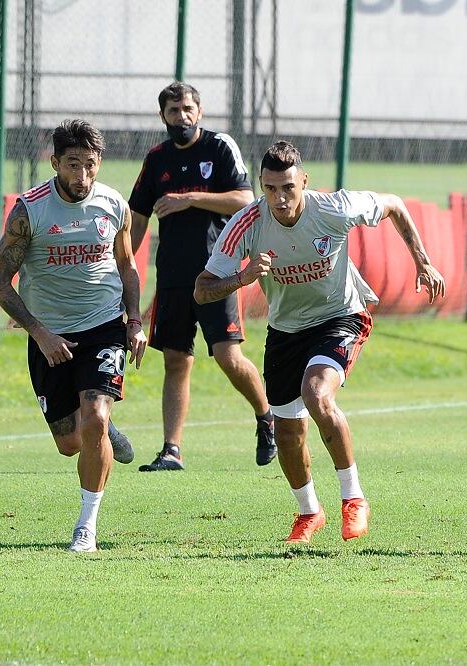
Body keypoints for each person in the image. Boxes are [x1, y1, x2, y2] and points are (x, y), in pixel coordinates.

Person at [194, 141, 445, 544]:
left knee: (317, 394)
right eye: (270, 188)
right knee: (288, 431)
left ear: (304, 182)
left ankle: (354, 498)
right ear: (261, 186)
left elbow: (395, 204)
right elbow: (202, 290)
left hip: (340, 317)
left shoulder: (333, 208)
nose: (279, 198)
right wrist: (240, 279)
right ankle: (309, 512)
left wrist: (422, 260)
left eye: (288, 188)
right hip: (285, 332)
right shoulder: (247, 223)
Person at [0, 119, 148, 553]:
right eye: (73, 165)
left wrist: (134, 320)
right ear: (55, 161)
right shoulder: (30, 210)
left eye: (90, 166)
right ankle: (101, 427)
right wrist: (39, 333)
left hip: (103, 326)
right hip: (49, 334)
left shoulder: (115, 205)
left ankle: (87, 526)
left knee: (94, 415)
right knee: (69, 443)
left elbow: (127, 265)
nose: (82, 177)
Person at [129, 82, 276, 472]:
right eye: (174, 110)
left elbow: (246, 199)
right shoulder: (156, 159)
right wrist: (122, 263)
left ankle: (266, 417)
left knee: (228, 356)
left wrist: (189, 198)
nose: (182, 116)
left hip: (217, 273)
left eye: (188, 108)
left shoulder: (218, 147)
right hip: (174, 276)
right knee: (176, 361)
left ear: (200, 110)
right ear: (163, 116)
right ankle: (171, 450)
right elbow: (138, 218)